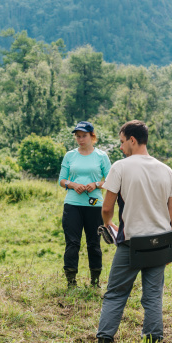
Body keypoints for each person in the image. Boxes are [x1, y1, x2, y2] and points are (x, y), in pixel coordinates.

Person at [96, 120, 172, 343]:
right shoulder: (166, 170)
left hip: (132, 243)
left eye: (122, 142)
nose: (121, 147)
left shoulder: (120, 168)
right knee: (153, 296)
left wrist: (107, 224)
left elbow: (107, 207)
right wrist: (169, 248)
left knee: (116, 293)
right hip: (160, 243)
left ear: (132, 140)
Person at [58, 121, 111, 288]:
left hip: (94, 204)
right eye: (78, 136)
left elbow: (110, 180)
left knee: (94, 243)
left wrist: (95, 184)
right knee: (72, 242)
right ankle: (71, 282)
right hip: (72, 204)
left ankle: (95, 282)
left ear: (92, 136)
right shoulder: (70, 156)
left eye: (84, 136)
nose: (81, 139)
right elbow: (62, 180)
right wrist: (73, 185)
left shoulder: (101, 156)